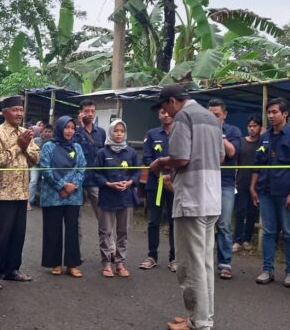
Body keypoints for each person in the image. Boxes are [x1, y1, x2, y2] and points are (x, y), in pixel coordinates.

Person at [149, 84, 224, 330]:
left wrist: (161, 162)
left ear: (172, 101)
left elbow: (181, 157)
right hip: (212, 198)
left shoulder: (183, 116)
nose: (165, 112)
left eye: (164, 106)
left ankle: (199, 322)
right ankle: (202, 317)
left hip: (192, 198)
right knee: (204, 263)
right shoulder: (211, 118)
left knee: (191, 265)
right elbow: (221, 155)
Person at [250, 97, 290, 288]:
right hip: (265, 190)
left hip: (285, 192)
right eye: (269, 112)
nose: (271, 115)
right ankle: (267, 270)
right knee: (268, 231)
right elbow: (258, 163)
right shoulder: (265, 136)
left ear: (285, 114)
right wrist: (253, 187)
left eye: (275, 112)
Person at [0, 96, 40, 282]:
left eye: (20, 110)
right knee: (1, 235)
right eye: (14, 110)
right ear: (4, 113)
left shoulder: (26, 132)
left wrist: (25, 147)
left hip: (22, 192)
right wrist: (18, 146)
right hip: (3, 192)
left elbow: (36, 159)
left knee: (18, 234)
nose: (19, 113)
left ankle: (13, 269)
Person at [38, 116, 86, 278]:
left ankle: (72, 264)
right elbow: (45, 169)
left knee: (72, 230)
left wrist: (72, 187)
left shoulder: (77, 147)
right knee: (53, 230)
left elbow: (82, 168)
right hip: (53, 195)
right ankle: (55, 263)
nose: (70, 131)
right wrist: (62, 186)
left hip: (73, 196)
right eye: (66, 127)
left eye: (72, 127)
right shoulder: (48, 147)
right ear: (59, 128)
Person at [94, 119, 139, 278]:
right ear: (110, 132)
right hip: (107, 197)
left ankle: (120, 263)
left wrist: (130, 182)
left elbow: (136, 173)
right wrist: (109, 184)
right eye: (116, 131)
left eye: (122, 131)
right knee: (105, 231)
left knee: (123, 232)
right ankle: (106, 264)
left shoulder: (131, 153)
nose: (119, 134)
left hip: (126, 198)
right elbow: (96, 174)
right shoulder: (102, 153)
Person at [207, 99, 242, 280]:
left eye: (217, 115)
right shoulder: (201, 131)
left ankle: (225, 263)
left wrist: (219, 134)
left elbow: (231, 153)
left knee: (224, 224)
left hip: (225, 184)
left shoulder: (233, 131)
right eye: (210, 115)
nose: (213, 118)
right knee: (204, 224)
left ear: (224, 115)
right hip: (204, 182)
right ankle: (203, 262)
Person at [139, 108, 177, 272]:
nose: (166, 114)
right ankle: (152, 256)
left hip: (176, 184)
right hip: (156, 183)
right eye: (163, 112)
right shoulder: (152, 134)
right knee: (153, 221)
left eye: (168, 112)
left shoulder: (181, 132)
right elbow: (147, 157)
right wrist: (161, 172)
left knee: (174, 221)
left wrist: (172, 173)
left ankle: (174, 258)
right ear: (159, 114)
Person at [73, 99, 109, 253]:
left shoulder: (100, 132)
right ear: (80, 112)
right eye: (86, 111)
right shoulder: (73, 131)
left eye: (92, 111)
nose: (90, 114)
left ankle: (108, 253)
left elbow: (104, 155)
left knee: (104, 218)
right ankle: (76, 255)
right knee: (76, 220)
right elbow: (72, 148)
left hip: (95, 180)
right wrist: (80, 127)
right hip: (78, 181)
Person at [232, 116, 262, 252]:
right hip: (241, 182)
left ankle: (247, 239)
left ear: (260, 127)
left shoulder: (263, 143)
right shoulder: (241, 142)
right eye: (250, 126)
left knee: (252, 213)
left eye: (255, 126)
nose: (252, 128)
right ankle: (237, 240)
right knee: (239, 212)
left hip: (257, 185)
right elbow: (235, 162)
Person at [29, 124, 54, 210]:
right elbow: (30, 152)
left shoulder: (54, 142)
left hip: (47, 166)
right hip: (36, 165)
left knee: (45, 181)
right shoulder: (36, 140)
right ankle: (29, 202)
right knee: (33, 181)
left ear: (52, 133)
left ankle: (44, 201)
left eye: (49, 132)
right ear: (42, 132)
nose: (47, 133)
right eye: (46, 131)